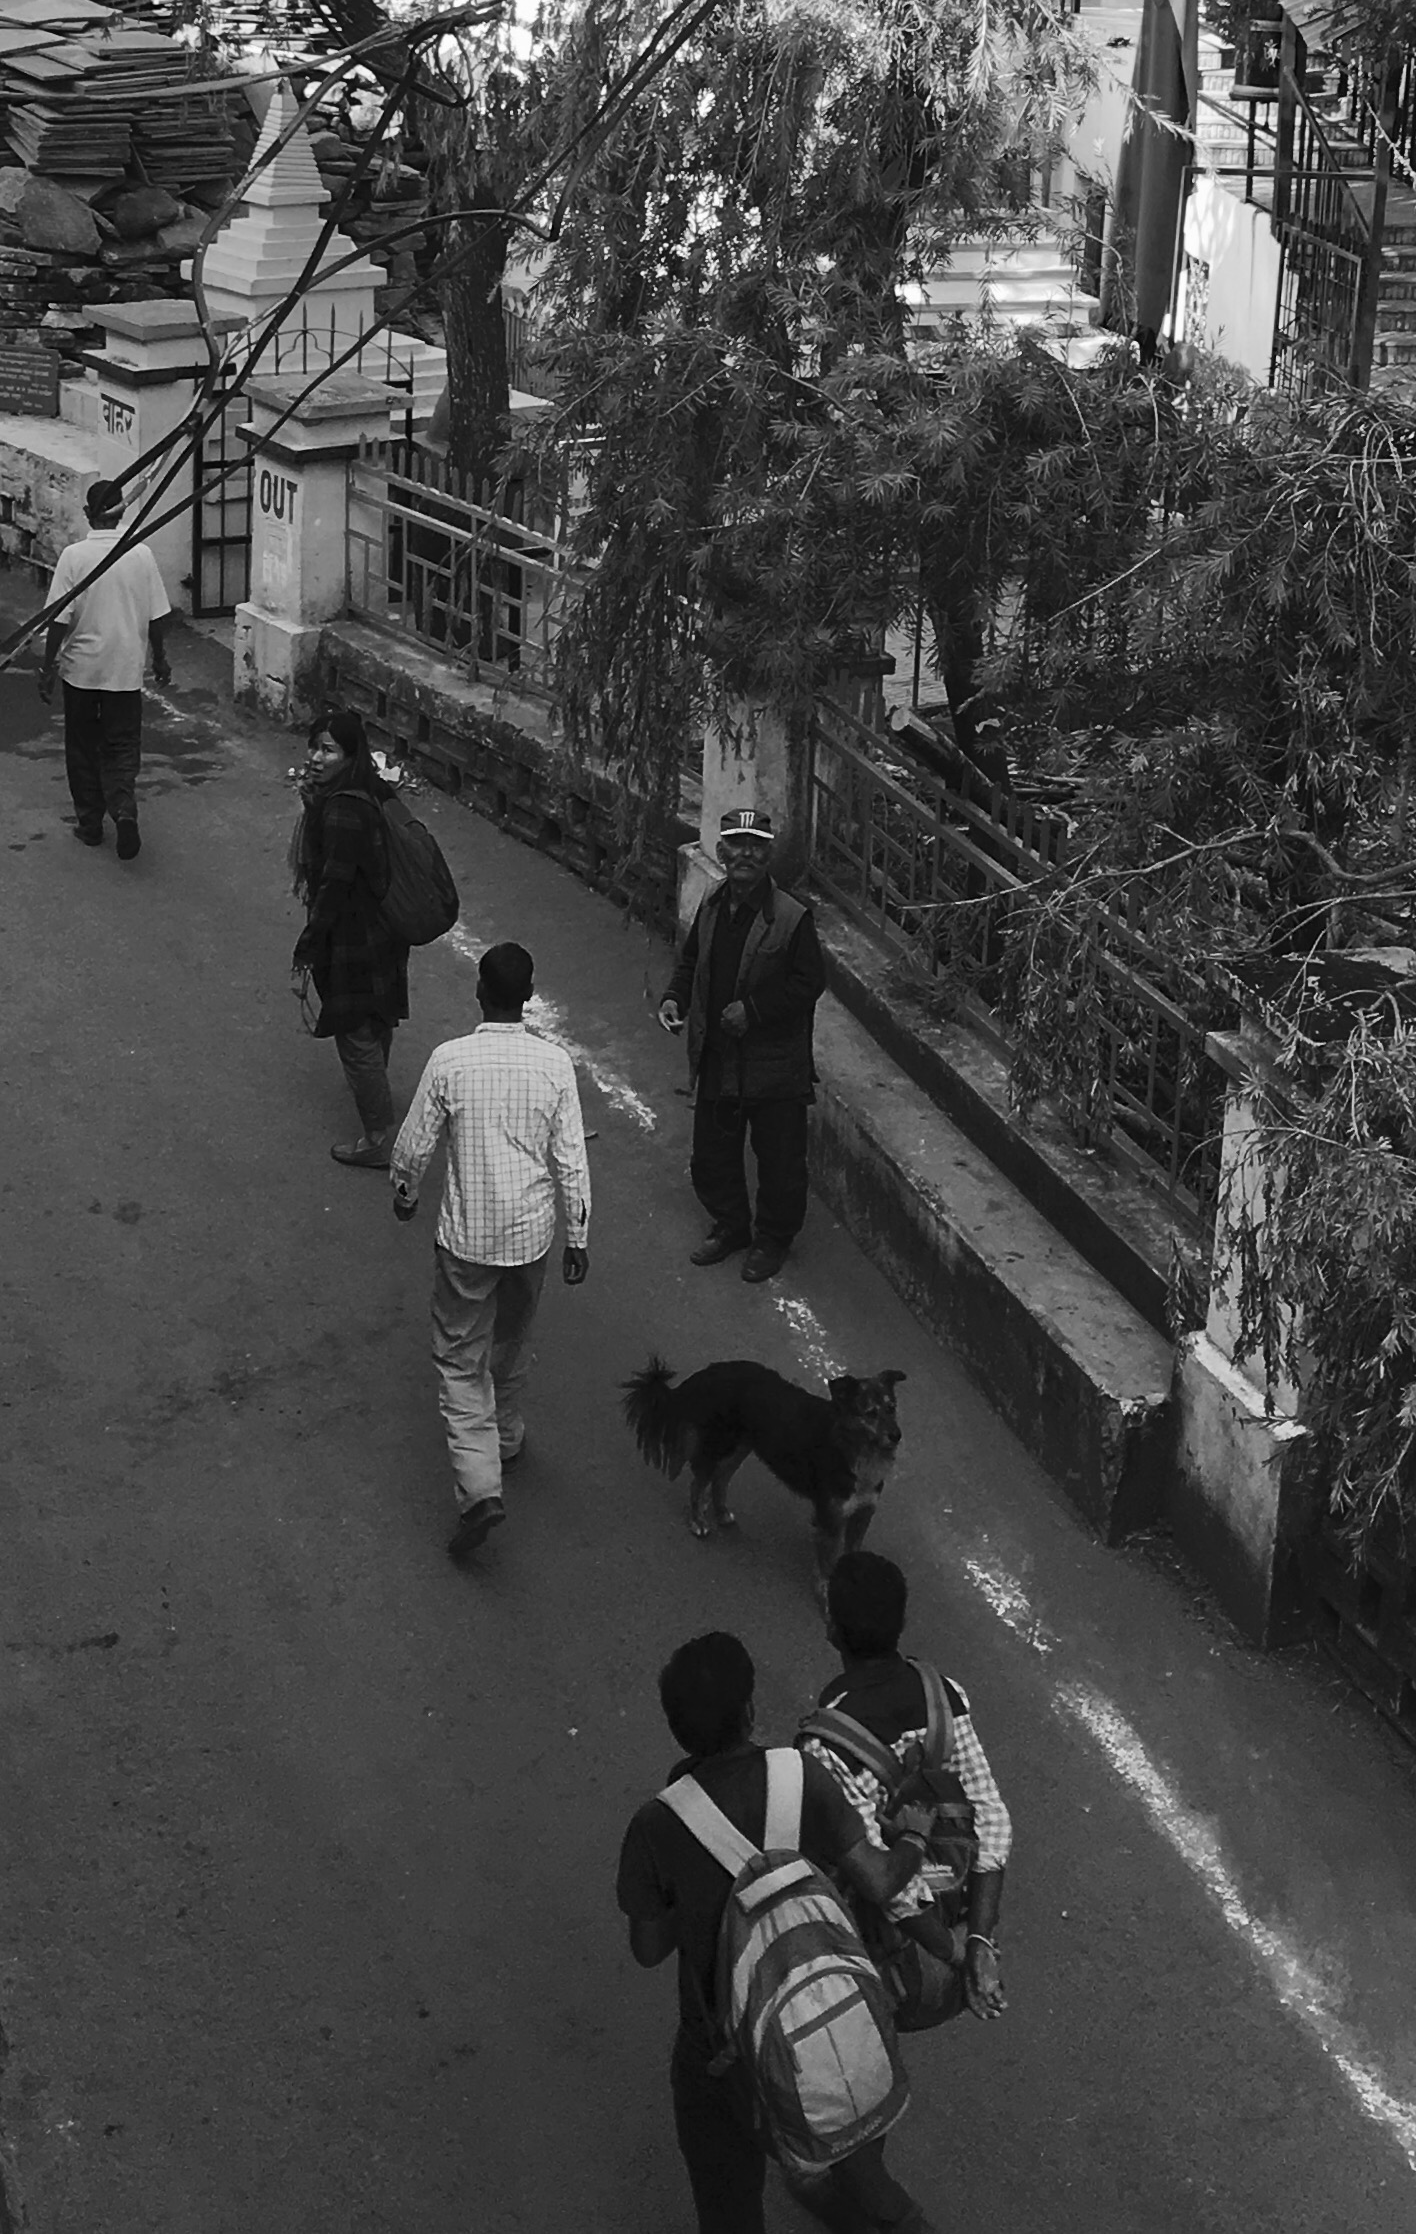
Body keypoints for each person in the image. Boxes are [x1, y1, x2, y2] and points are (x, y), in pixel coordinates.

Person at [616, 1627, 932, 2234]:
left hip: (722, 2055)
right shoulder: (800, 1776)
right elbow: (880, 1879)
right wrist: (914, 1835)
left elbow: (648, 1948)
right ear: (750, 1711)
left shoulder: (657, 1825)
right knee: (858, 2157)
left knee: (728, 2207)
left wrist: (702, 1894)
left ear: (676, 1730)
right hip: (827, 2024)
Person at [388, 942, 590, 1563]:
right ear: (528, 996)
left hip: (467, 1240)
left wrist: (405, 1192)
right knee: (512, 1335)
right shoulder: (555, 1066)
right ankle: (505, 1435)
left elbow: (414, 1145)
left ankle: (479, 1488)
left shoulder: (450, 1060)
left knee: (459, 1356)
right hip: (530, 1239)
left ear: (480, 990)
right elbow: (571, 1159)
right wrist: (578, 1236)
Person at [800, 1552, 1010, 2033]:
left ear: (832, 1628)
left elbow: (884, 1882)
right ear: (902, 1622)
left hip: (881, 1933)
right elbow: (992, 1818)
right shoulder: (945, 1696)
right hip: (949, 1894)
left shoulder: (826, 1746)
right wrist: (979, 1941)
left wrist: (953, 1953)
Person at [660, 813, 827, 1285]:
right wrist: (674, 997)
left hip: (776, 1067)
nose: (746, 854)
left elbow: (809, 982)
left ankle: (772, 1239)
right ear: (721, 851)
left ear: (768, 855)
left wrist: (753, 1011)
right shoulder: (713, 904)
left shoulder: (792, 918)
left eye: (756, 845)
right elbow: (692, 960)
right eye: (737, 844)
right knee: (712, 1155)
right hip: (720, 1056)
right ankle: (731, 1225)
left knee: (780, 1163)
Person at [292, 704, 411, 1169]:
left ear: (350, 755)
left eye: (329, 751)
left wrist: (310, 941)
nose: (316, 758)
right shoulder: (369, 790)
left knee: (355, 1032)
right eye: (314, 748)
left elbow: (335, 881)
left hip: (354, 934)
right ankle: (375, 1089)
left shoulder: (343, 809)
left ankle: (378, 1138)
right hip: (384, 928)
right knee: (376, 1020)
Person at [36, 478, 172, 860]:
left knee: (82, 748)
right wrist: (160, 658)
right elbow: (157, 616)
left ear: (87, 514)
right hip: (124, 671)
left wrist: (48, 667)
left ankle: (90, 824)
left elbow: (58, 619)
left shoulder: (73, 557)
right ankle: (123, 808)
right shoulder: (141, 554)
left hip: (81, 671)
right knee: (122, 746)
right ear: (123, 510)